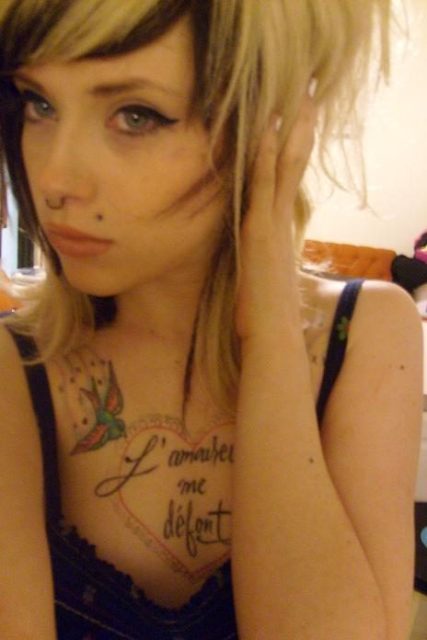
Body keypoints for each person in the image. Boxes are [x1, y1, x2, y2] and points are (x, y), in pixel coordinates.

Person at [0, 1, 422, 638]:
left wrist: (271, 335)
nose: (55, 179)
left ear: (270, 126)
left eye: (135, 115)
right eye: (40, 104)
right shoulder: (15, 362)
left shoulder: (368, 329)